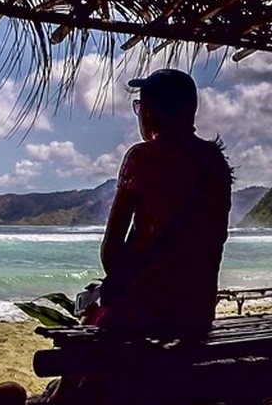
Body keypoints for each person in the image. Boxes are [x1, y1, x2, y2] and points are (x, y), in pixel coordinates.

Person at [88, 68, 234, 339]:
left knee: (90, 321)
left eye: (140, 105)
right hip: (197, 312)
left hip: (148, 311)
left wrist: (121, 284)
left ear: (150, 112)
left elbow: (110, 251)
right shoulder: (215, 163)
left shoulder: (142, 158)